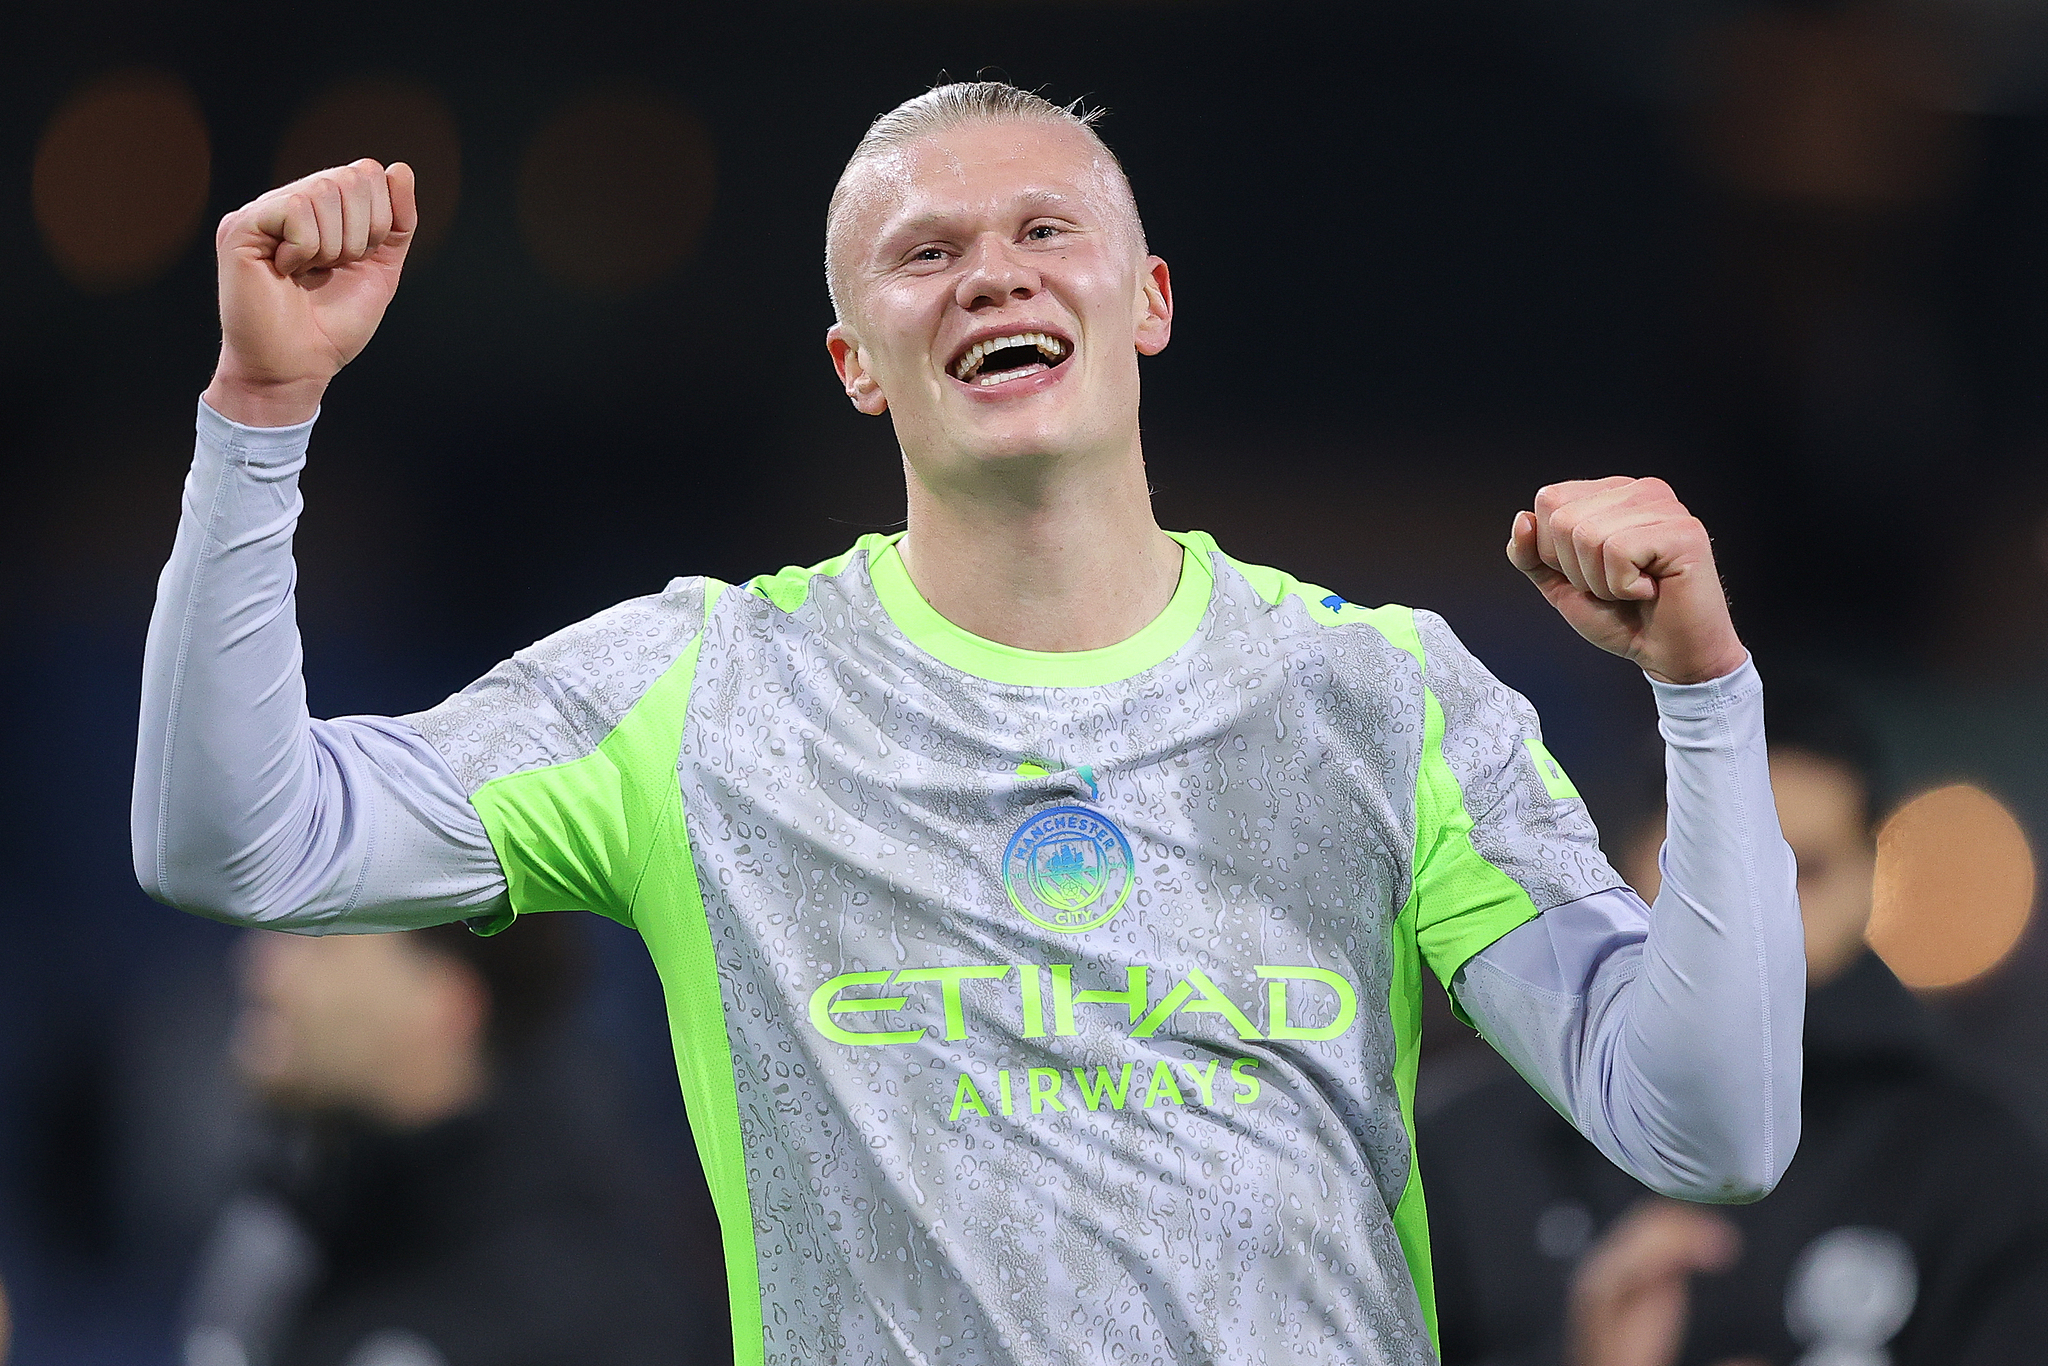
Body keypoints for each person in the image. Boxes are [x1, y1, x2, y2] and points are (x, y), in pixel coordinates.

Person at [134, 82, 1803, 1366]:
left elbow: (1706, 1130)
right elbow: (232, 841)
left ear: (1145, 297)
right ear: (858, 360)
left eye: (1040, 232)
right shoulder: (698, 695)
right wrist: (260, 415)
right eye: (922, 254)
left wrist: (1703, 698)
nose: (987, 273)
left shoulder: (1375, 695)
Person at [1424, 681, 2048, 1365]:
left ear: (1869, 882)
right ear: (1633, 858)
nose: (1757, 917)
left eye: (1802, 872)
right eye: (1709, 870)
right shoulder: (1462, 1151)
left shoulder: (1978, 1164)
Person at [182, 917, 714, 1366]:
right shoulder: (283, 1215)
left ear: (447, 1003)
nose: (260, 967)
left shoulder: (596, 1304)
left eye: (319, 940)